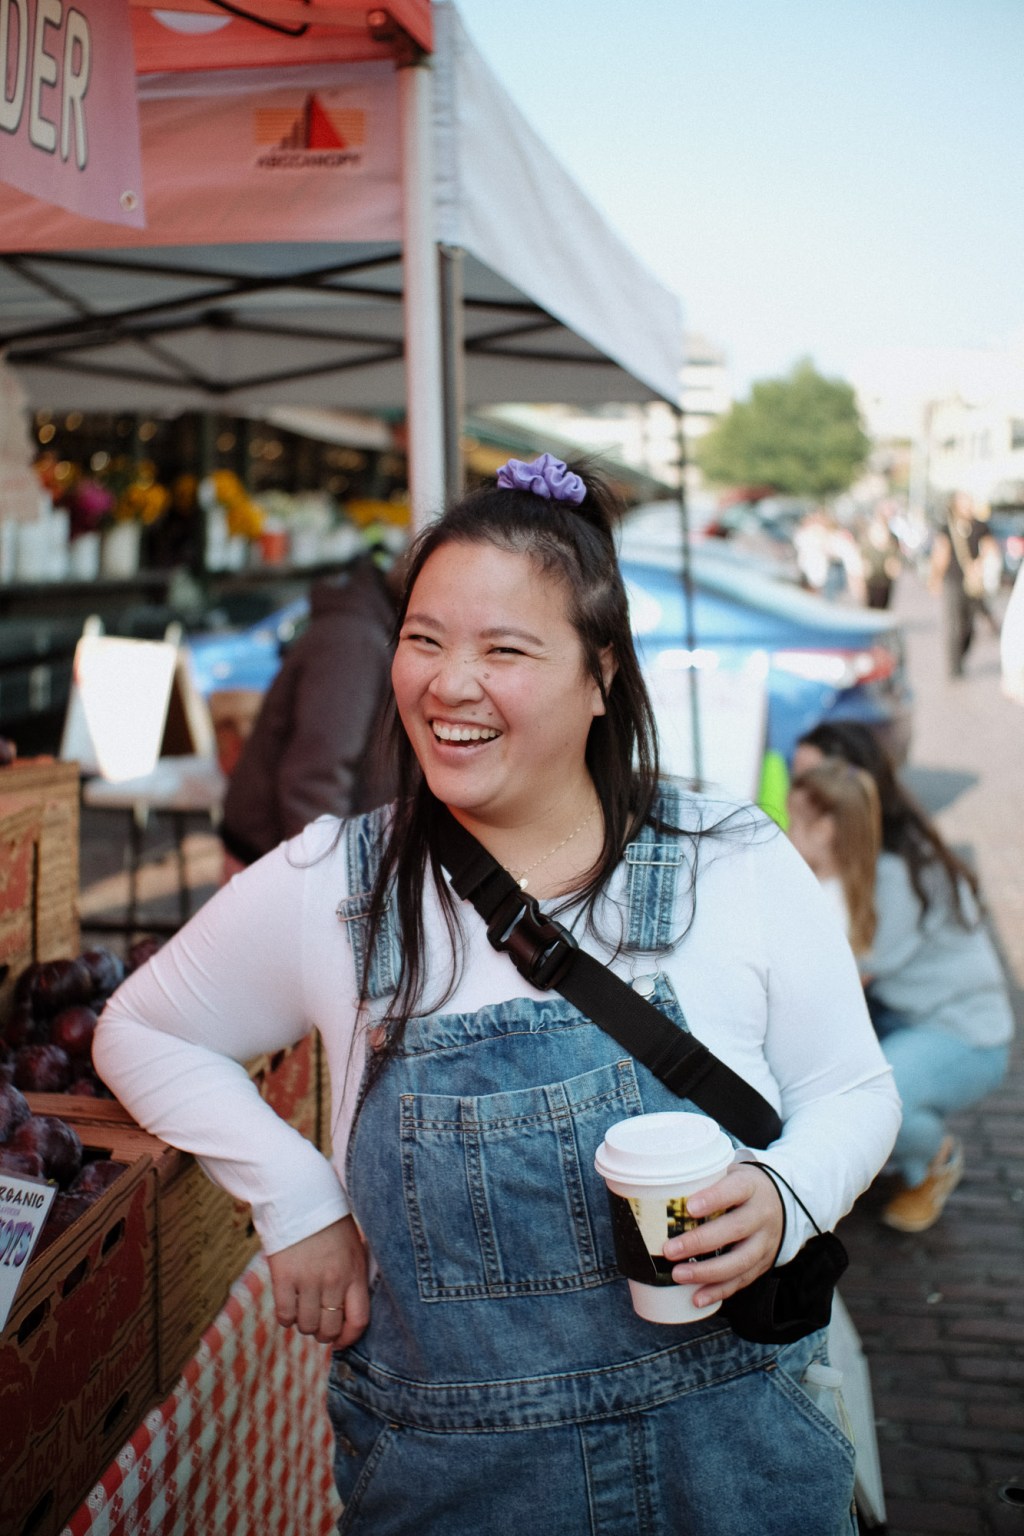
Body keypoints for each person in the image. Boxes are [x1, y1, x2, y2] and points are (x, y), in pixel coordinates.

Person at [94, 455, 900, 1536]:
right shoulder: (331, 883)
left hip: (739, 1467)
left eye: (504, 650)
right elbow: (142, 1028)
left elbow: (852, 1091)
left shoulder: (731, 857)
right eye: (423, 640)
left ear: (601, 674)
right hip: (457, 1491)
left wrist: (786, 1192)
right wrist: (295, 1199)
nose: (447, 684)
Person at [794, 721, 1014, 1234]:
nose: (804, 789)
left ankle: (934, 1159)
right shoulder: (871, 852)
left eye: (815, 776)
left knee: (877, 1106)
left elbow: (839, 982)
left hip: (963, 1031)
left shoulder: (893, 871)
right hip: (907, 1015)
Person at [219, 548, 399, 872]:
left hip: (283, 856)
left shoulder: (365, 628)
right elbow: (314, 780)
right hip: (274, 862)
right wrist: (331, 878)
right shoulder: (353, 639)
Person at [786, 759, 882, 957]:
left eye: (792, 823)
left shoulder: (819, 906)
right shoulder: (838, 892)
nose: (785, 832)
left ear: (823, 831)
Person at [928, 491, 1001, 677]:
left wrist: (980, 563)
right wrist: (935, 578)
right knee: (954, 624)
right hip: (953, 580)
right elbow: (940, 553)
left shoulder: (980, 526)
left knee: (969, 627)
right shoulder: (947, 527)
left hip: (973, 582)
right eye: (964, 502)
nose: (968, 506)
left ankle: (961, 656)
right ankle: (954, 667)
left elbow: (990, 548)